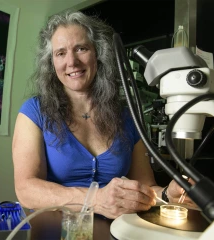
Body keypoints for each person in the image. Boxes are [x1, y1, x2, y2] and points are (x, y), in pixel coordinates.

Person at [12, 10, 194, 219]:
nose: (72, 62)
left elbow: (144, 188)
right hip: (56, 229)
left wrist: (168, 194)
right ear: (51, 63)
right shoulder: (35, 111)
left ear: (98, 53)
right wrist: (96, 199)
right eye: (60, 53)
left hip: (115, 229)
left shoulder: (127, 116)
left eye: (81, 49)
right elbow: (26, 190)